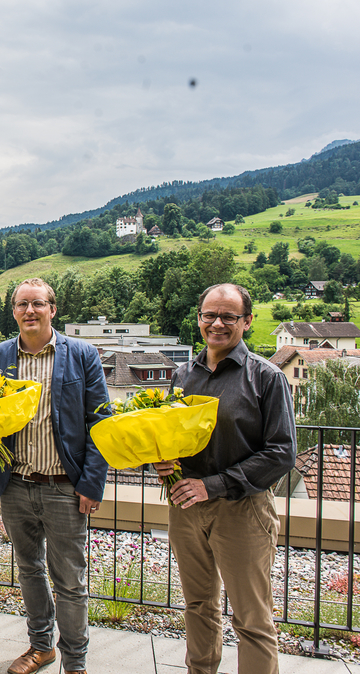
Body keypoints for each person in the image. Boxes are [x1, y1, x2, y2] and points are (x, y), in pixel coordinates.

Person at [154, 284, 295, 674]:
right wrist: (163, 462)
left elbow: (282, 452)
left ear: (247, 322)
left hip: (242, 510)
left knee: (252, 620)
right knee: (198, 606)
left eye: (228, 316)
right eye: (208, 315)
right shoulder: (183, 374)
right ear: (198, 318)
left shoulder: (266, 377)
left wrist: (211, 485)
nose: (216, 323)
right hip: (186, 508)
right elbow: (169, 435)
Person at [0, 277, 108, 674]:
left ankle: (75, 662)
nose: (29, 311)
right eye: (22, 304)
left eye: (37, 304)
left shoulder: (82, 354)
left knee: (70, 581)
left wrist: (91, 483)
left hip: (65, 488)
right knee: (29, 569)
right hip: (15, 483)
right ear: (13, 311)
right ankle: (41, 647)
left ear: (53, 309)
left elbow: (100, 422)